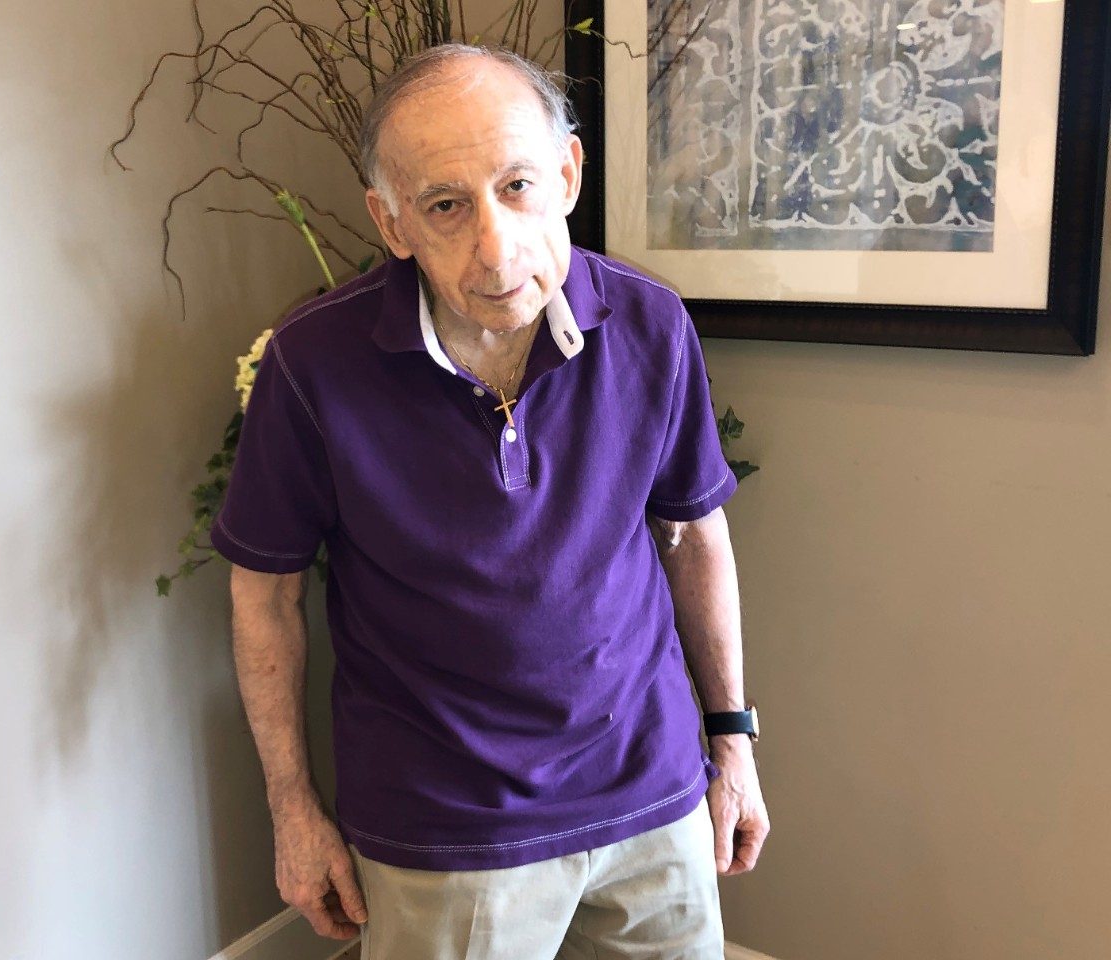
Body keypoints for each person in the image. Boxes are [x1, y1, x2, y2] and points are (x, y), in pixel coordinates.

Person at [209, 42, 769, 960]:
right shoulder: (312, 366)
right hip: (445, 829)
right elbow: (261, 592)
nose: (496, 247)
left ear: (567, 172)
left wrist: (733, 743)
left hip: (652, 795)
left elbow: (694, 536)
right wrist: (292, 808)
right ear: (391, 224)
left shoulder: (652, 324)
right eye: (445, 206)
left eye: (517, 187)